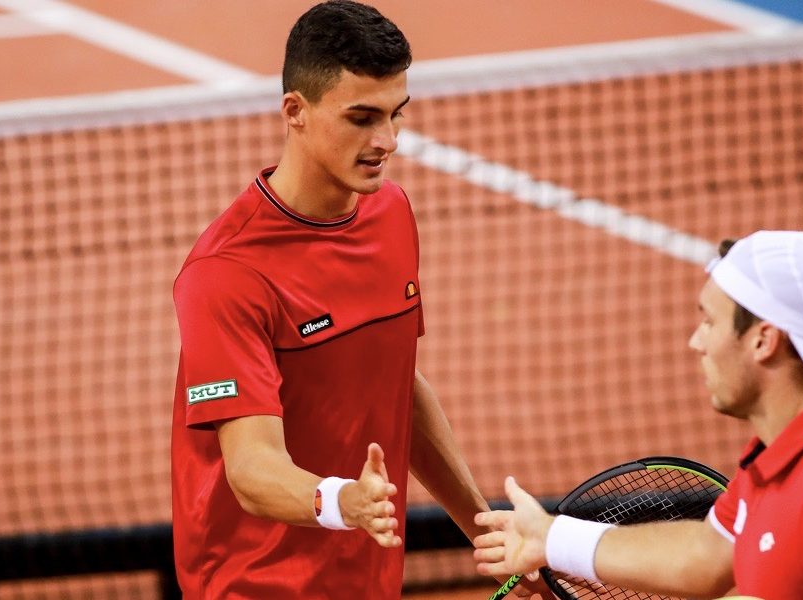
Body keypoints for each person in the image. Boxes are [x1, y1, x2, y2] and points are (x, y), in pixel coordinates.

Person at [169, 2, 542, 598]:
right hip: (254, 585)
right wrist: (345, 501)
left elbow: (396, 385)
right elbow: (251, 470)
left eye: (396, 115)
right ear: (296, 111)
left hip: (367, 576)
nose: (387, 141)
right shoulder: (227, 274)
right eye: (362, 118)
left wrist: (485, 531)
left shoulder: (391, 213)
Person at [473, 231, 803, 599]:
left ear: (764, 340)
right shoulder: (783, 457)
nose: (695, 342)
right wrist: (551, 539)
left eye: (709, 322)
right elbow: (709, 554)